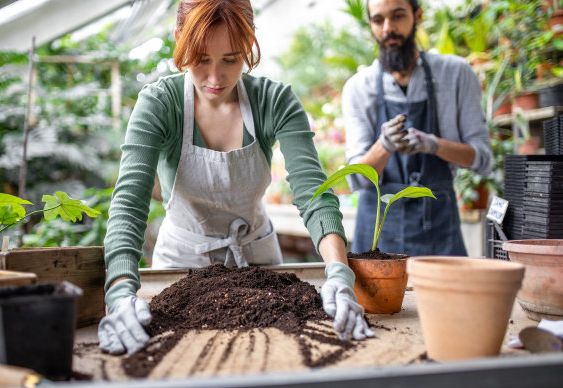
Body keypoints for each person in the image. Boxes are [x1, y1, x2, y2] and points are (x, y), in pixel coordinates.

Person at [97, 0, 375, 355]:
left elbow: (313, 192)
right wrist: (120, 292)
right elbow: (129, 205)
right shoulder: (160, 104)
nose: (215, 78)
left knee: (275, 356)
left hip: (259, 268)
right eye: (201, 59)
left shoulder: (274, 101)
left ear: (248, 45)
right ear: (179, 39)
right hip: (181, 267)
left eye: (230, 59)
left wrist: (338, 272)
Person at [342, 0, 491, 256]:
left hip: (439, 229)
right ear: (371, 25)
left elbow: (482, 159)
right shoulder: (358, 88)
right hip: (377, 234)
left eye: (398, 16)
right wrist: (384, 145)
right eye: (378, 20)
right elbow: (357, 178)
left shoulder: (456, 74)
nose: (388, 28)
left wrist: (434, 144)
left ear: (417, 16)